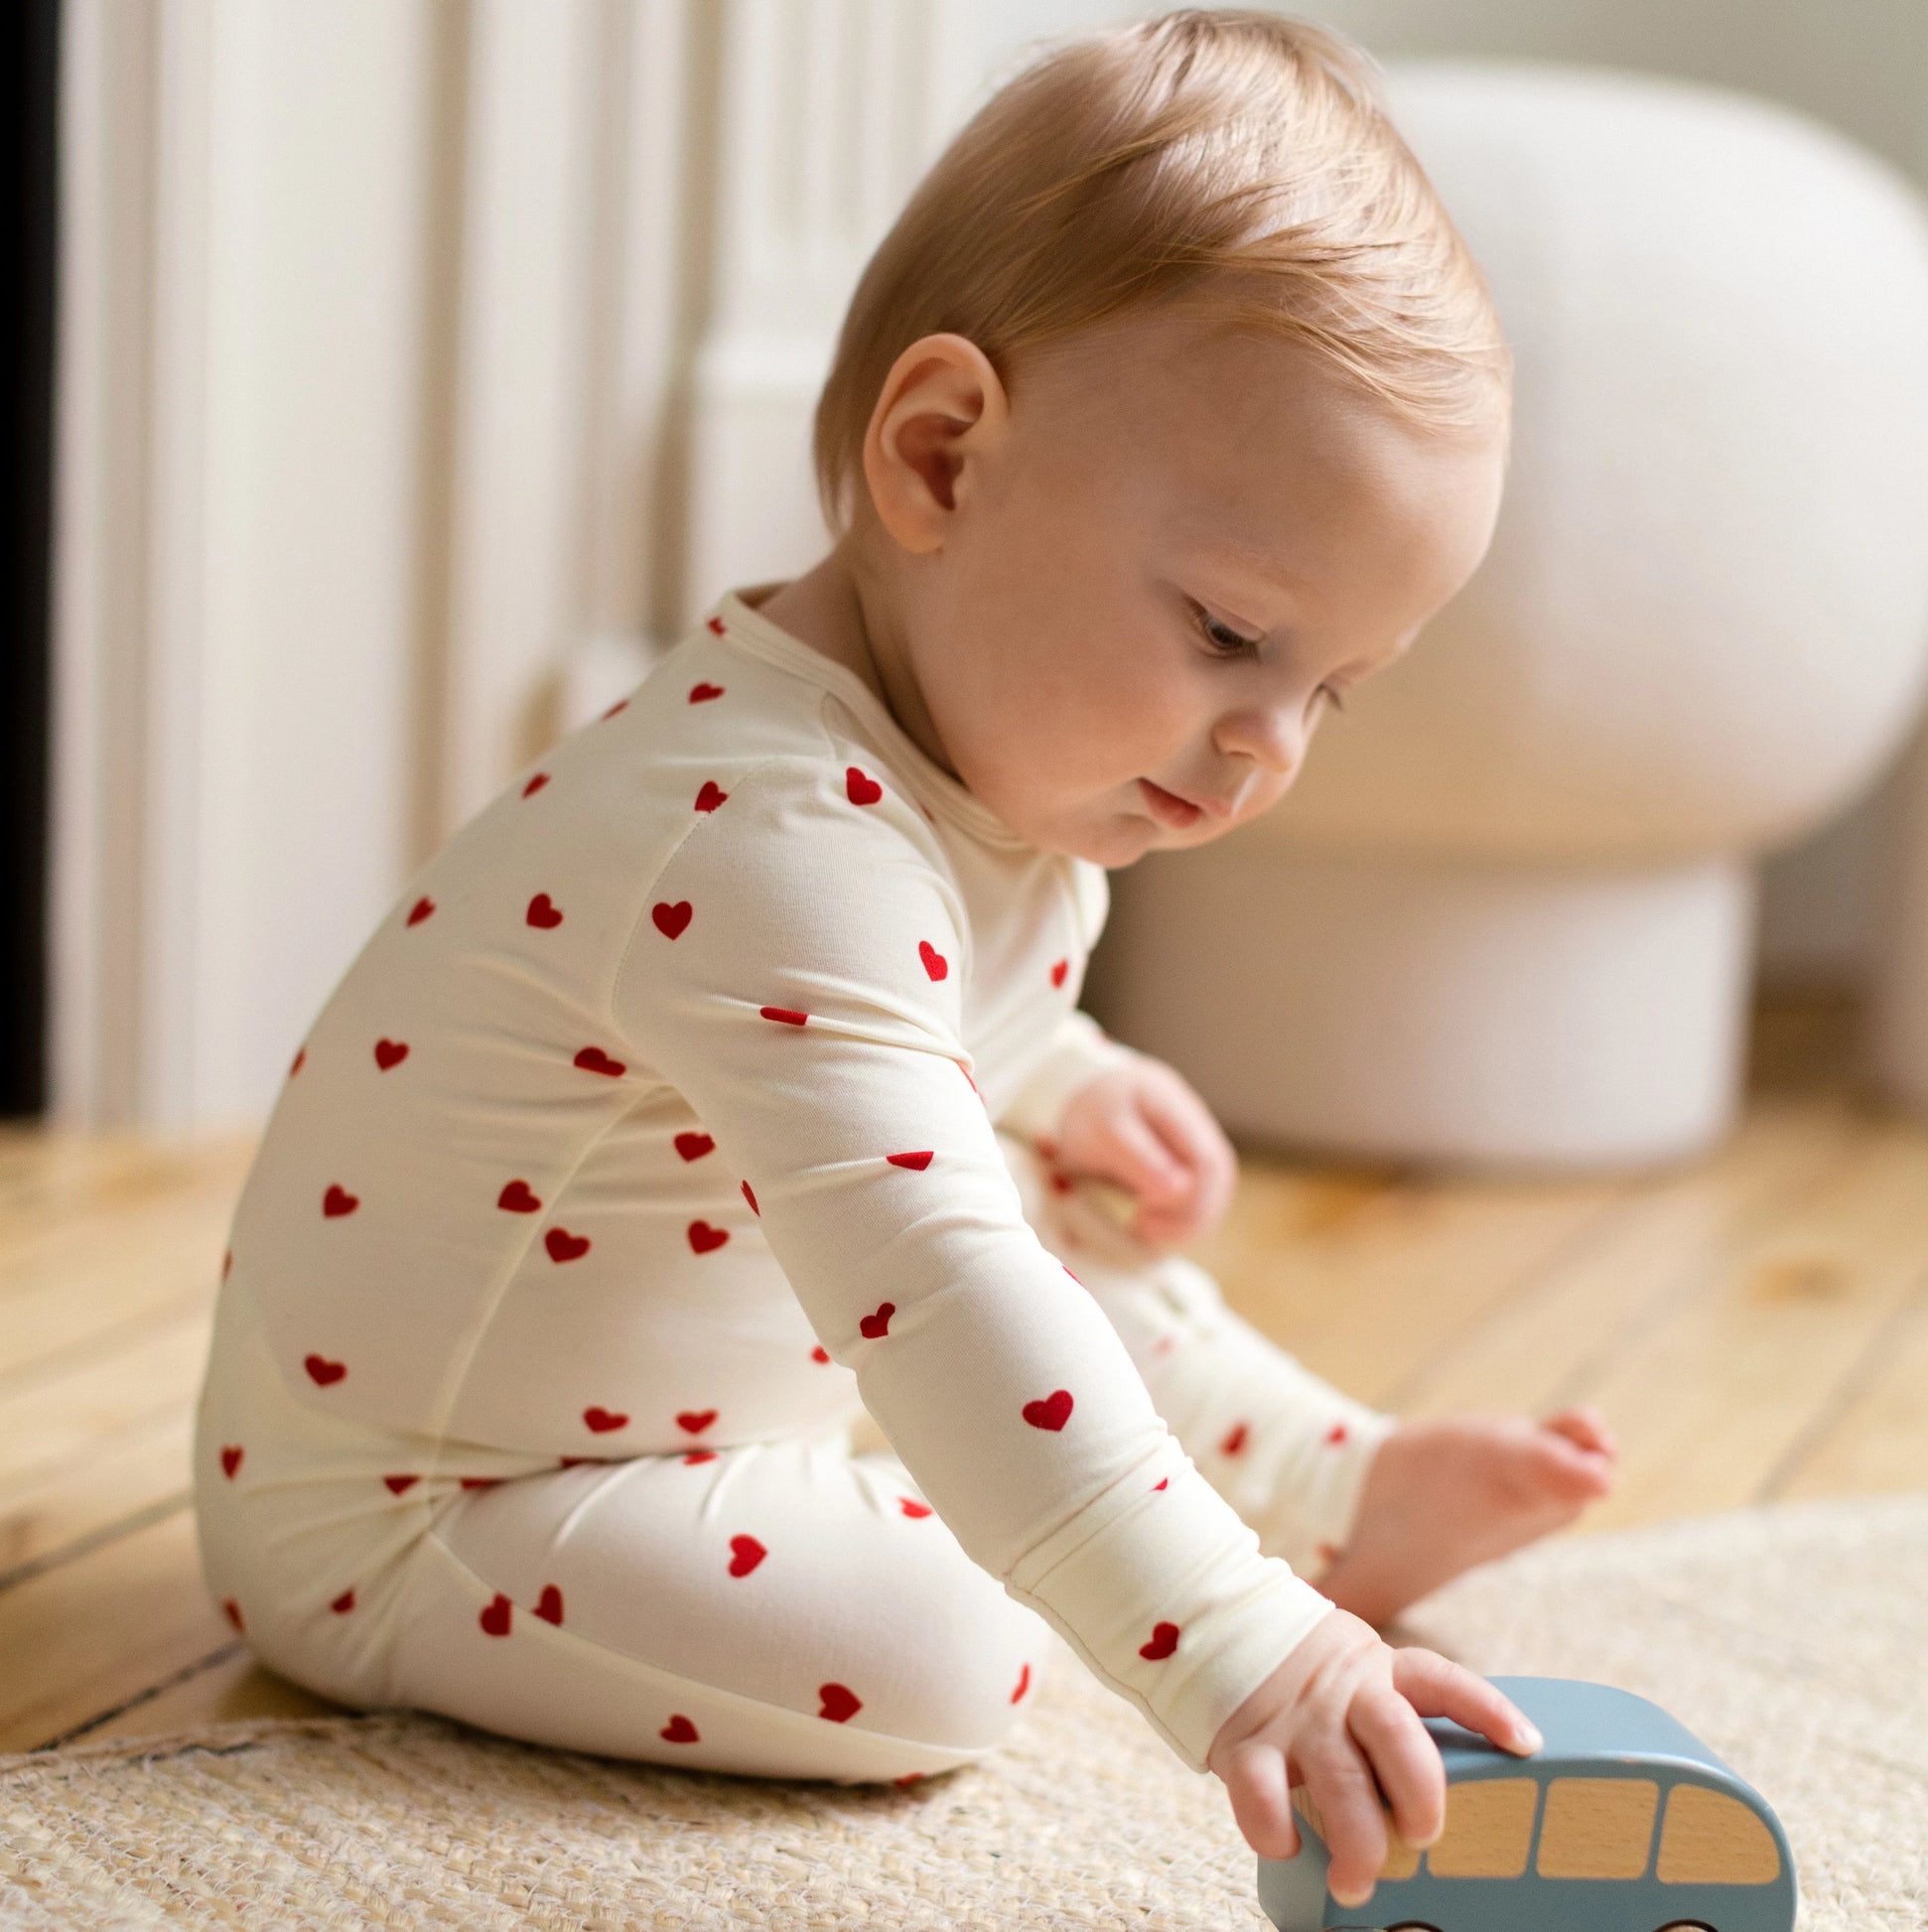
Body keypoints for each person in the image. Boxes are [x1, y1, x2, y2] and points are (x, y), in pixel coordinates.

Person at [193, 9, 1616, 1909]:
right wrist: (1235, 1651)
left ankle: (1327, 1478)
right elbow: (939, 1278)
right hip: (430, 1507)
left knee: (1064, 1221)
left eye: (1330, 688)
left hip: (702, 1400)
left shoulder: (980, 790)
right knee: (950, 1640)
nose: (1267, 745)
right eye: (1226, 633)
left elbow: (915, 1048)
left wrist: (1065, 1078)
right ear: (941, 458)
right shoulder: (761, 840)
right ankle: (1187, 1529)